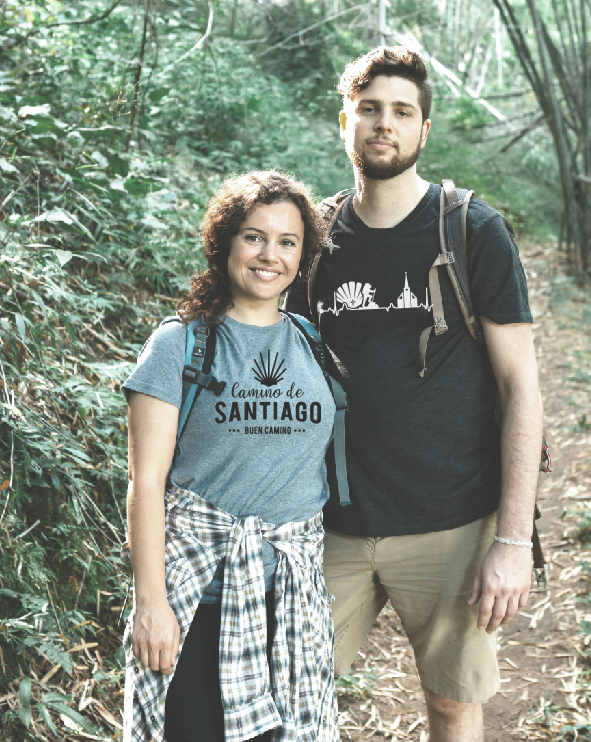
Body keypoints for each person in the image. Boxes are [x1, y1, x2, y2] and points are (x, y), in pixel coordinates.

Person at [285, 47, 543, 742]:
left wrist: (512, 540)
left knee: (452, 704)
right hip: (329, 523)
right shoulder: (313, 239)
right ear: (346, 120)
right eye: (369, 108)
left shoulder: (470, 230)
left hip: (449, 520)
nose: (383, 124)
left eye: (401, 111)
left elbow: (521, 386)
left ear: (423, 130)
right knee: (288, 691)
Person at [121, 171, 341, 742]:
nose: (270, 255)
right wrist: (151, 605)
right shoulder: (180, 345)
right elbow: (146, 485)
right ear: (225, 243)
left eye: (288, 241)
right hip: (199, 601)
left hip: (287, 604)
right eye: (254, 236)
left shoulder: (312, 344)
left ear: (304, 254)